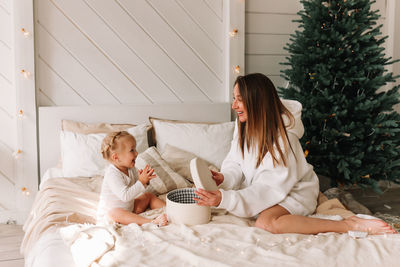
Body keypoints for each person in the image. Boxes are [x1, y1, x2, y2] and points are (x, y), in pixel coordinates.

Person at [194, 73, 396, 235]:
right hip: (269, 189)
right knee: (262, 219)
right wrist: (225, 177)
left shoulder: (283, 138)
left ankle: (349, 225)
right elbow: (235, 161)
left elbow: (270, 187)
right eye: (233, 99)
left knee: (266, 223)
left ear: (256, 102)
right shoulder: (243, 126)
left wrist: (226, 200)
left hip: (295, 190)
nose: (234, 105)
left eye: (239, 100)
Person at [97, 131, 167, 226]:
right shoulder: (112, 174)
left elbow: (135, 189)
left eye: (135, 149)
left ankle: (170, 211)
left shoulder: (131, 168)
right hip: (116, 214)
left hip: (130, 207)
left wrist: (145, 181)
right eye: (132, 150)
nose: (137, 153)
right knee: (114, 213)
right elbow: (125, 196)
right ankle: (151, 222)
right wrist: (141, 182)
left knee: (148, 196)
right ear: (116, 157)